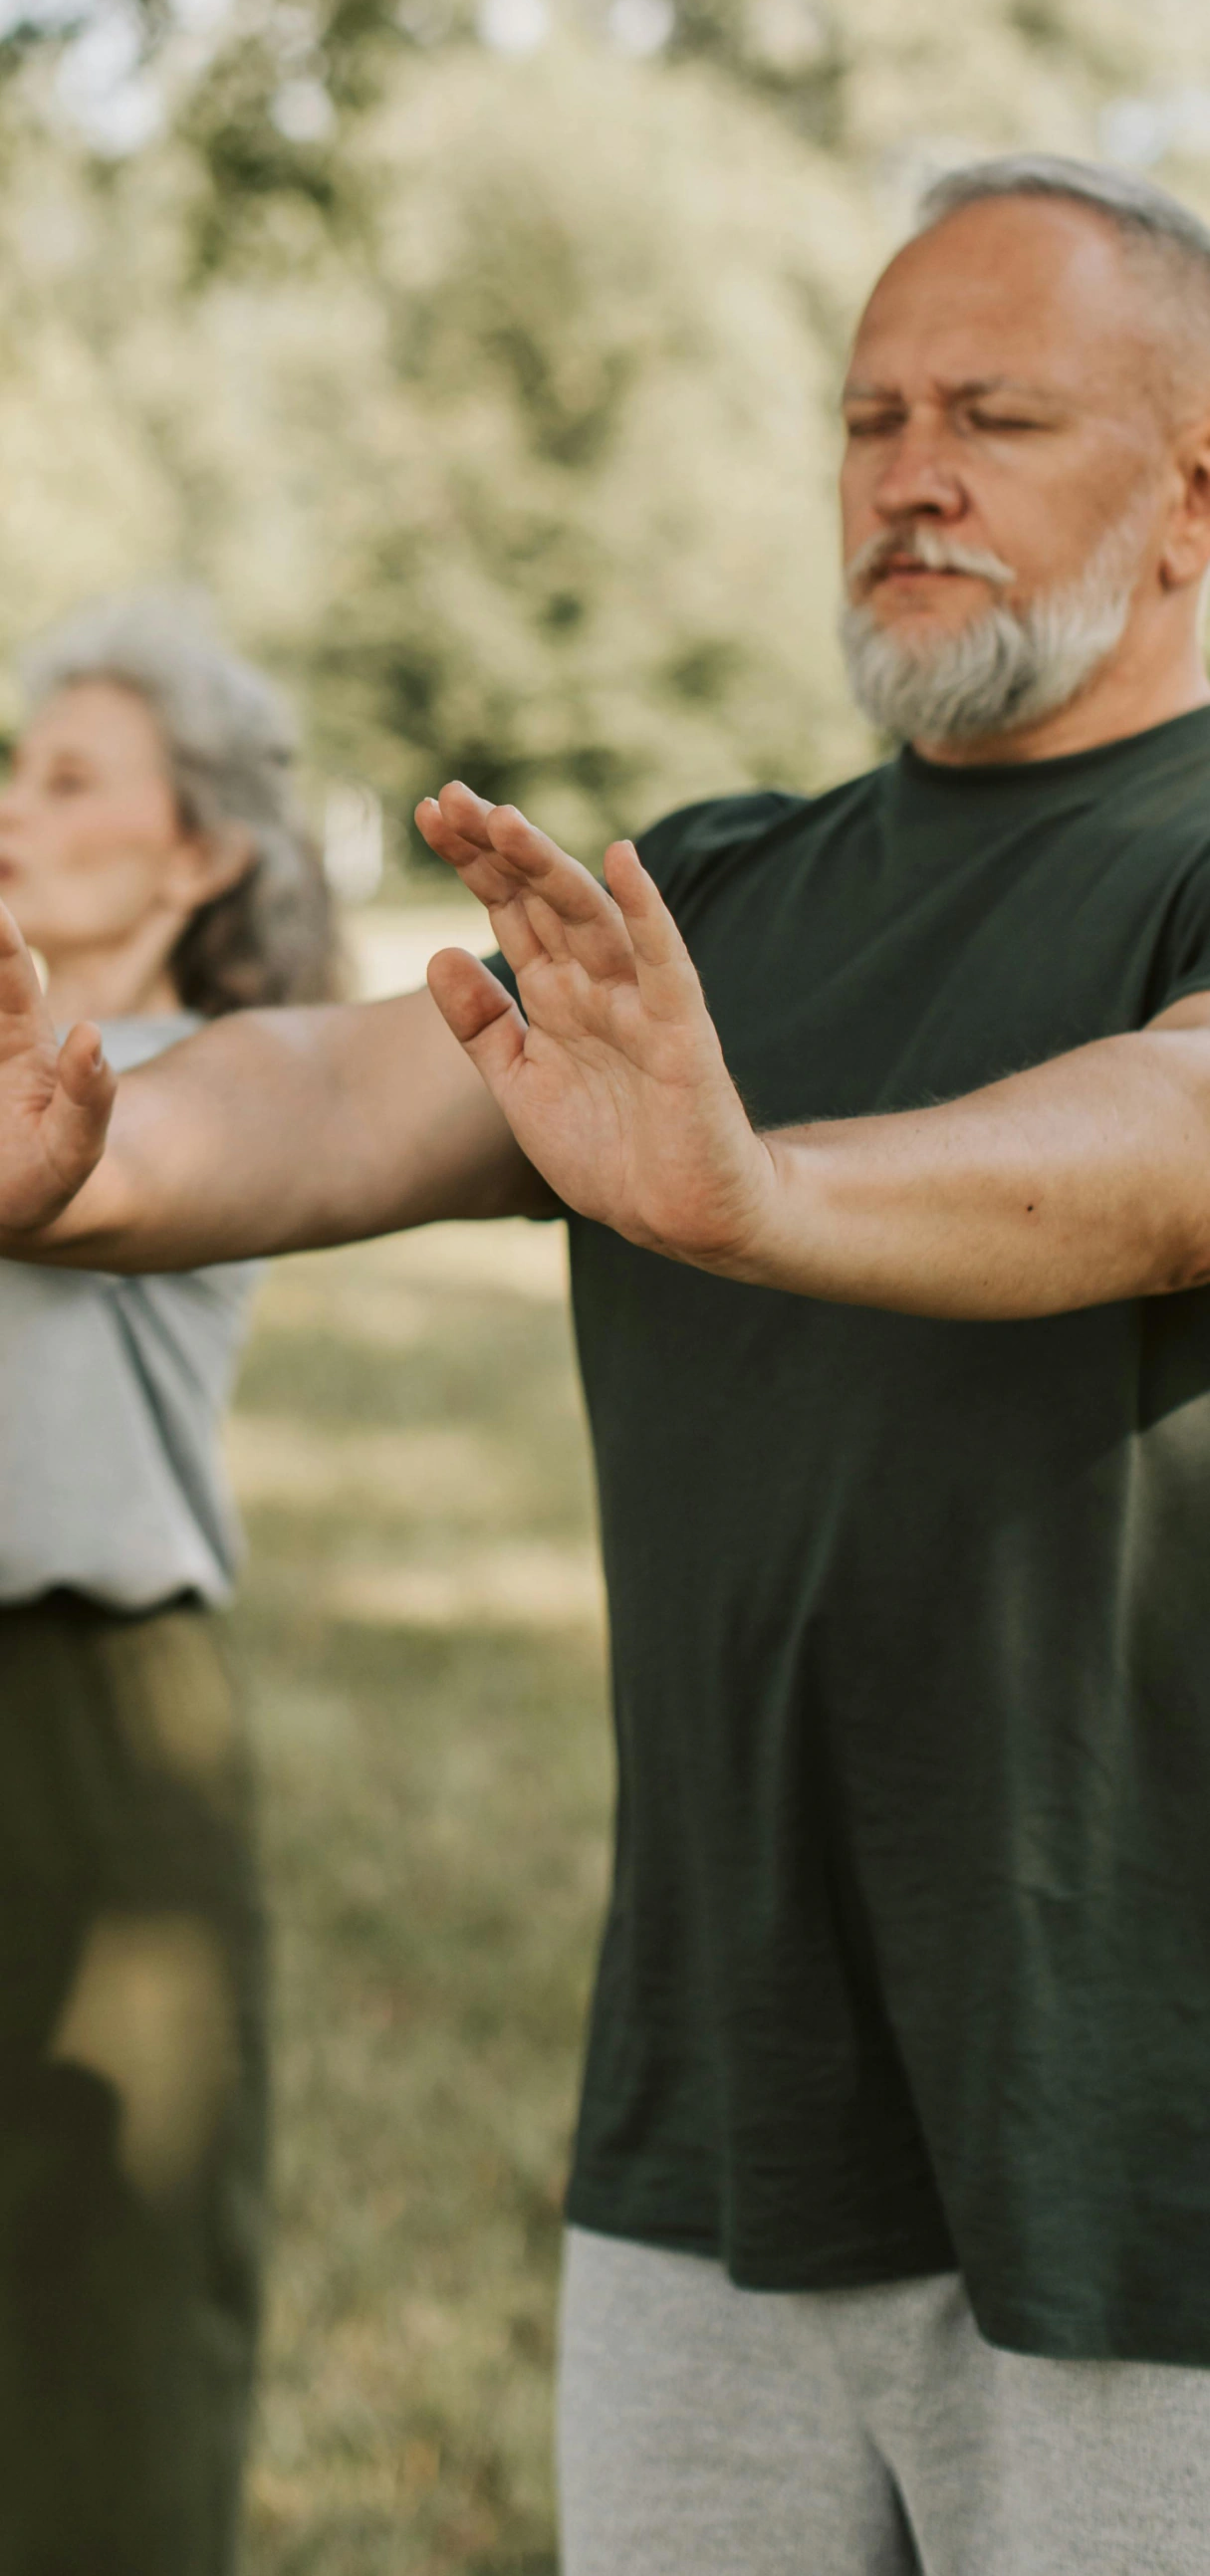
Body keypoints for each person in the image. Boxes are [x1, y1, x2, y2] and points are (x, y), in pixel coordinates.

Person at [6, 154, 1210, 2572]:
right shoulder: (721, 894)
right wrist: (86, 1146)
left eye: (992, 410)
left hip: (1140, 2167)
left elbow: (1169, 1134)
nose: (910, 472)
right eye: (867, 418)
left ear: (1195, 490)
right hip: (717, 2144)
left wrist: (760, 1196)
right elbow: (345, 1082)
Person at [0, 598, 339, 2576]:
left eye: (69, 779)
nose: (15, 809)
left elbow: (84, 1153)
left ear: (197, 847)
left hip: (87, 1730)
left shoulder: (201, 1079)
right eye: (11, 768)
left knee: (106, 2315)